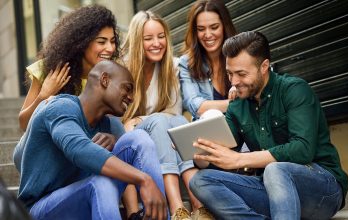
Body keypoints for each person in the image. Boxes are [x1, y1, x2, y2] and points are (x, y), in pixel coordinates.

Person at [189, 31, 348, 219]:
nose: (233, 82)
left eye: (241, 74)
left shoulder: (294, 90)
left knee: (276, 168)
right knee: (200, 181)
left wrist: (241, 159)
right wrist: (200, 152)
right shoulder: (237, 105)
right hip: (271, 191)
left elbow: (302, 150)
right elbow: (225, 159)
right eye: (230, 73)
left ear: (264, 66)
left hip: (323, 190)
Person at [17, 60, 167, 220]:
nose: (131, 98)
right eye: (127, 88)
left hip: (83, 198)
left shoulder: (109, 126)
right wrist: (144, 179)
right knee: (100, 185)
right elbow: (79, 149)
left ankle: (159, 217)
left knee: (138, 138)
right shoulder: (59, 107)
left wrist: (115, 143)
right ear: (105, 80)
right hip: (39, 209)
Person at [120, 11, 212, 220]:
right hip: (133, 139)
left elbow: (174, 112)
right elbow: (121, 123)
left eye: (161, 36)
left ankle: (198, 206)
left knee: (180, 122)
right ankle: (177, 207)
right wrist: (141, 121)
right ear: (137, 41)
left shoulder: (172, 65)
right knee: (162, 121)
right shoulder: (122, 69)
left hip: (161, 133)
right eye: (148, 38)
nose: (157, 43)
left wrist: (140, 119)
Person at [14, 4, 124, 170]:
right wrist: (44, 96)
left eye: (112, 41)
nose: (109, 48)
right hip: (40, 151)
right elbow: (23, 123)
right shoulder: (49, 69)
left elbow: (111, 126)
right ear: (82, 42)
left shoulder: (109, 76)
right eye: (101, 42)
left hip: (82, 148)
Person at [179, 0, 237, 120]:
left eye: (214, 27)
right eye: (201, 29)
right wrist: (236, 104)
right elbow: (196, 107)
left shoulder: (240, 54)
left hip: (243, 129)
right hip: (209, 132)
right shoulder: (186, 63)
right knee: (211, 115)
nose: (208, 34)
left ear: (224, 26)